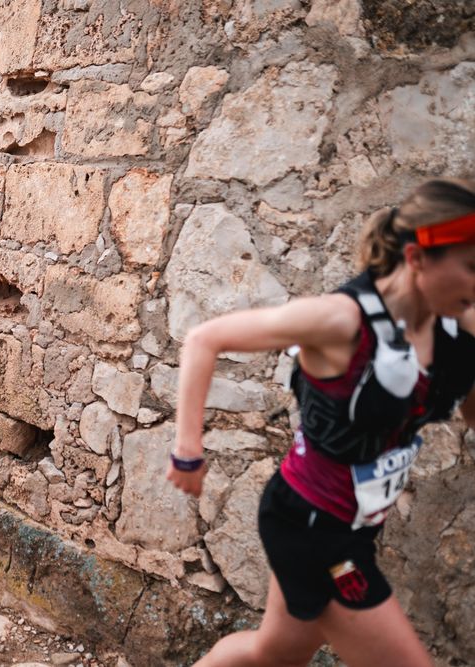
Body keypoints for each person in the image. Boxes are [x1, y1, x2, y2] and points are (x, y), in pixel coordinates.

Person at [167, 178, 475, 667]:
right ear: (417, 258)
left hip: (353, 524)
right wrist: (188, 451)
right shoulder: (340, 320)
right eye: (472, 268)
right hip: (312, 527)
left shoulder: (455, 328)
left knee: (273, 654)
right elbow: (205, 339)